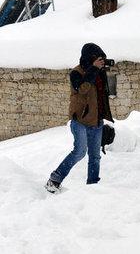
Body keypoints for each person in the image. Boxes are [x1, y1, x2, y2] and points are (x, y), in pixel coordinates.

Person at [45, 43, 114, 193]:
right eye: (97, 58)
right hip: (80, 121)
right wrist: (94, 69)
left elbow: (103, 95)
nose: (100, 61)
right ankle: (54, 180)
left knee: (95, 156)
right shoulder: (76, 73)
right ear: (89, 58)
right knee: (79, 152)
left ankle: (93, 187)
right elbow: (82, 89)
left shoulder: (99, 72)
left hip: (96, 120)